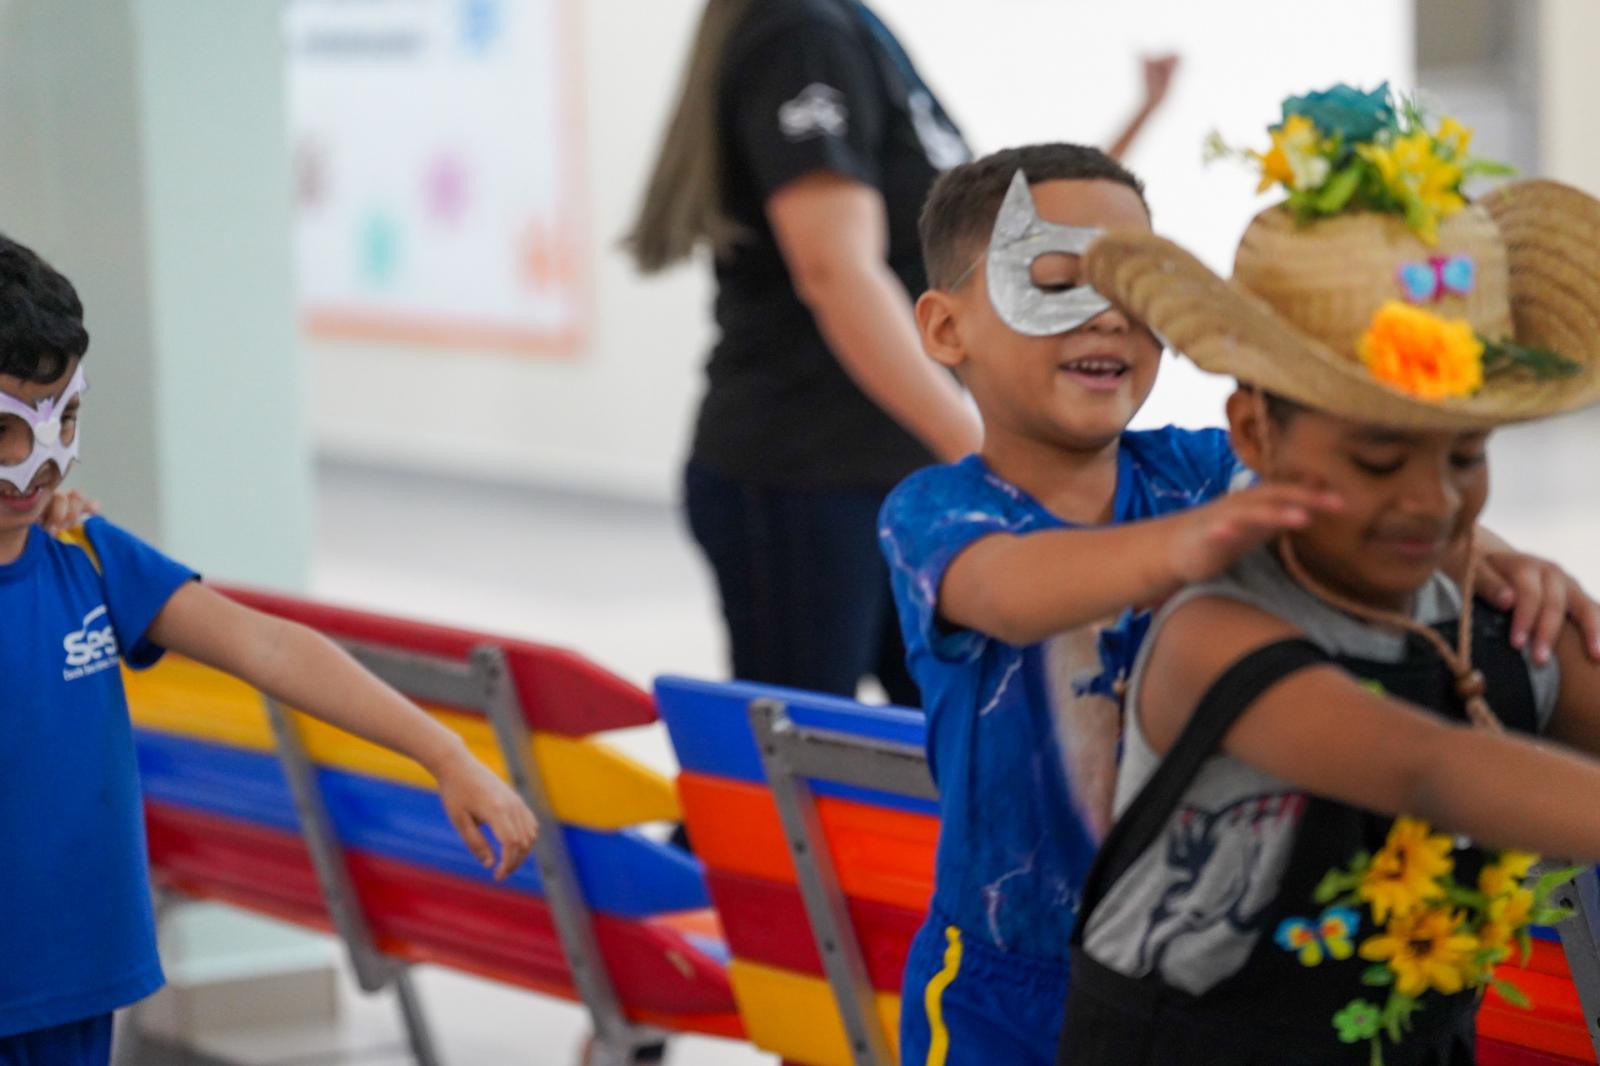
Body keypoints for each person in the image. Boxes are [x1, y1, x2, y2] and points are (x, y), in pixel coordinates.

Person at [878, 139, 1600, 1065]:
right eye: (1057, 282)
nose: (1108, 315)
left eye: (1134, 292)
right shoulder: (939, 511)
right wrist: (1185, 543)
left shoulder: (1201, 467)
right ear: (946, 330)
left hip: (1201, 983)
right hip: (1005, 991)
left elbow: (1369, 502)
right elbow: (1011, 593)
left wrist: (1503, 563)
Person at [0, 233, 539, 1065]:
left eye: (61, 417)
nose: (31, 462)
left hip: (78, 982)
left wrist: (445, 754)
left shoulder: (92, 559)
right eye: (5, 428)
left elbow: (272, 647)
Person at [626, 0, 1179, 706]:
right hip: (806, 471)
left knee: (952, 726)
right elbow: (835, 272)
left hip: (886, 470)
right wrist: (988, 459)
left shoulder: (853, 29)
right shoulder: (804, 35)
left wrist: (1140, 115)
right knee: (801, 747)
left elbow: (1012, 242)